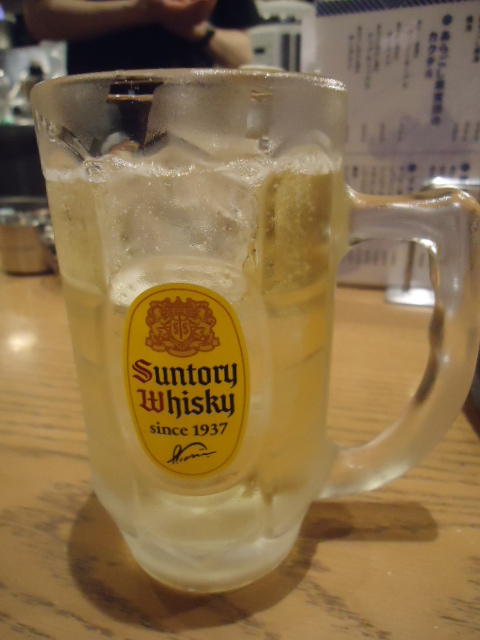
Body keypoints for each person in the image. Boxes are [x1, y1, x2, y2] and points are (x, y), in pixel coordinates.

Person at [23, 0, 262, 74]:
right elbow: (39, 18)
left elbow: (242, 54)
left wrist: (195, 29)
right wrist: (146, 10)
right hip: (97, 120)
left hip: (191, 120)